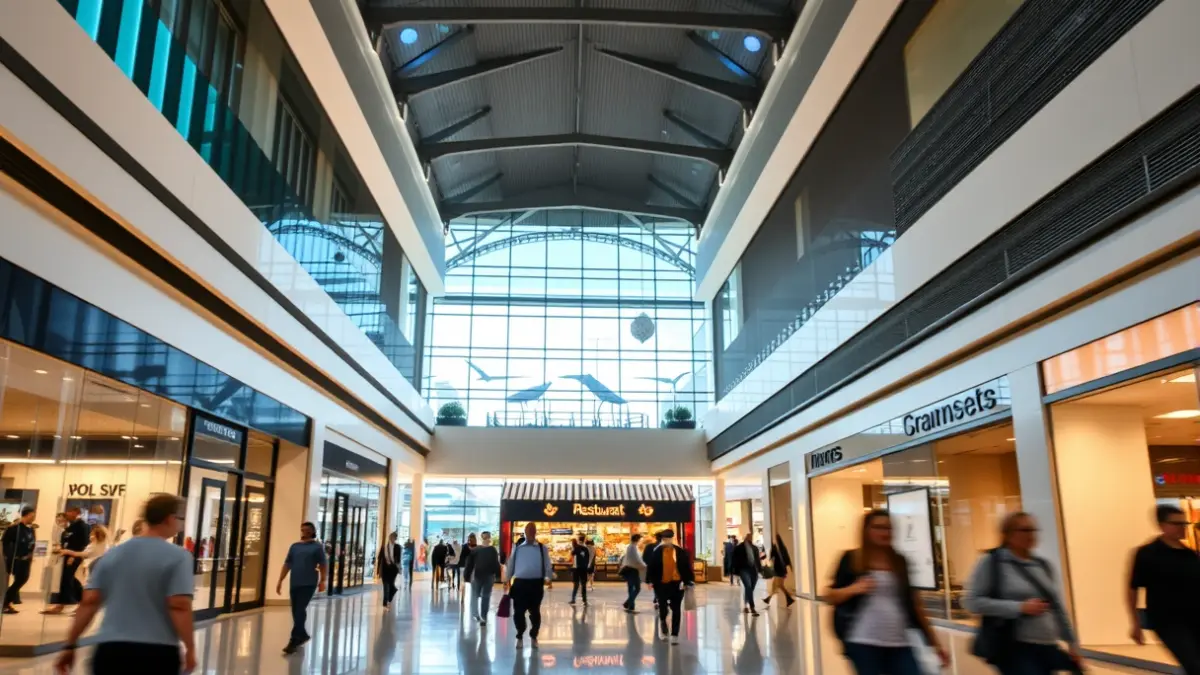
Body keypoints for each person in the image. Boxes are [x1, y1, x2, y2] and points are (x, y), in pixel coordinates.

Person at [53, 494, 196, 675]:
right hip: (156, 652)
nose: (182, 525)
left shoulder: (113, 555)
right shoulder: (178, 557)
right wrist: (190, 648)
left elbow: (89, 602)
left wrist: (70, 644)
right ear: (170, 518)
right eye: (181, 519)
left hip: (110, 650)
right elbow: (179, 605)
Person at [826, 510, 949, 675]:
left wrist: (935, 644)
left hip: (899, 641)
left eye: (889, 528)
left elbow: (915, 606)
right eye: (878, 527)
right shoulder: (852, 559)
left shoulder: (899, 561)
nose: (885, 533)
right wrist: (853, 589)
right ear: (866, 531)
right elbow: (829, 595)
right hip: (863, 641)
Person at [964, 512, 1080, 675]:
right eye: (1025, 530)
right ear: (1008, 535)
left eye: (1033, 530)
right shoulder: (992, 562)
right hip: (1015, 647)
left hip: (1047, 645)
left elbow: (1057, 606)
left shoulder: (1043, 565)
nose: (1031, 534)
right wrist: (1020, 607)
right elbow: (971, 602)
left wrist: (1072, 642)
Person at [1128, 505, 1200, 674]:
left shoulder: (1190, 555)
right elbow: (1133, 589)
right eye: (1176, 523)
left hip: (1195, 618)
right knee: (1194, 664)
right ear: (1161, 525)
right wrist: (1135, 623)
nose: (1182, 527)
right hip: (1167, 621)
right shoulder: (1147, 554)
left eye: (1184, 523)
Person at [276, 522, 328, 655]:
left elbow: (323, 564)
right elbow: (287, 563)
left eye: (307, 530)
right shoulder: (295, 546)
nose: (305, 532)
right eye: (303, 530)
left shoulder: (317, 547)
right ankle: (303, 634)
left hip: (308, 583)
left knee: (299, 609)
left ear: (313, 531)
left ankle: (294, 640)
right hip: (295, 582)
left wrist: (323, 580)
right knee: (296, 611)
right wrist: (280, 580)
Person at [504, 522, 553, 649]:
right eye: (529, 530)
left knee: (535, 612)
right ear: (525, 532)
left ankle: (534, 635)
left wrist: (549, 578)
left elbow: (547, 564)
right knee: (518, 613)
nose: (531, 532)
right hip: (520, 584)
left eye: (533, 530)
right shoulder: (518, 547)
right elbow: (511, 564)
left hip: (536, 584)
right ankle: (520, 635)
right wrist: (506, 579)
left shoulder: (542, 548)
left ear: (535, 532)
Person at [643, 529, 695, 645]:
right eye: (665, 539)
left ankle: (675, 634)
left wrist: (689, 581)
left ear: (672, 539)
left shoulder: (680, 551)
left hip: (677, 584)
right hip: (661, 584)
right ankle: (663, 623)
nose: (667, 541)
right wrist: (649, 581)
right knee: (663, 607)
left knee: (676, 609)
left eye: (669, 539)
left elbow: (686, 567)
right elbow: (651, 567)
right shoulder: (657, 552)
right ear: (662, 539)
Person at [43, 506, 89, 614]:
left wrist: (74, 556)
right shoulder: (70, 526)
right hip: (65, 555)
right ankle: (80, 601)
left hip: (74, 556)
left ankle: (64, 604)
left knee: (67, 579)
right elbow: (66, 540)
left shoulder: (82, 526)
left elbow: (83, 544)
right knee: (67, 579)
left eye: (69, 512)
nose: (67, 514)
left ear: (75, 513)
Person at [2, 507, 35, 614]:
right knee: (20, 580)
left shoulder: (30, 529)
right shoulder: (15, 528)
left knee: (22, 579)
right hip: (16, 560)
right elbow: (5, 542)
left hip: (26, 559)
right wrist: (9, 556)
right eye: (32, 516)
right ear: (27, 515)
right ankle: (5, 602)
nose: (33, 518)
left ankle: (6, 601)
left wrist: (30, 554)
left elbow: (32, 543)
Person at [466, 531, 501, 624]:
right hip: (488, 576)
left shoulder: (476, 550)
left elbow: (469, 564)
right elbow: (496, 563)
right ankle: (483, 617)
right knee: (485, 596)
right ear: (489, 538)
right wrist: (498, 575)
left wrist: (467, 575)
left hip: (478, 575)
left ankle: (476, 614)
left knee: (475, 595)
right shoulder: (492, 550)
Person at [731, 531, 762, 615]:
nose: (750, 538)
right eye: (748, 537)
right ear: (745, 538)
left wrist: (760, 570)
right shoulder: (739, 548)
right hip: (744, 569)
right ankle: (752, 607)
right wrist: (735, 571)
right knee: (748, 586)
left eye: (751, 537)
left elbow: (757, 560)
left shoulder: (754, 548)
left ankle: (745, 606)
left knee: (750, 588)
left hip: (753, 570)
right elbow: (734, 559)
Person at [763, 534, 796, 608]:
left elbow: (772, 557)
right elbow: (786, 558)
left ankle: (788, 599)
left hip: (780, 570)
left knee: (778, 585)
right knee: (778, 585)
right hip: (780, 570)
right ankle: (788, 599)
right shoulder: (780, 548)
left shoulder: (778, 548)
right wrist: (790, 566)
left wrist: (790, 567)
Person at [620, 533, 647, 612]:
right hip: (633, 570)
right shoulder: (633, 547)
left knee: (631, 588)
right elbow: (636, 559)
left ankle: (631, 605)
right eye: (640, 539)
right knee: (637, 588)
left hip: (629, 569)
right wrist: (644, 566)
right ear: (637, 540)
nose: (640, 541)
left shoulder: (630, 547)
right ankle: (628, 603)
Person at [377, 532, 401, 608]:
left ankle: (389, 598)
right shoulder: (384, 547)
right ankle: (385, 602)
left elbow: (398, 560)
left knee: (391, 585)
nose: (393, 539)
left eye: (394, 538)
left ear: (395, 539)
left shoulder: (398, 547)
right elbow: (380, 558)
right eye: (392, 537)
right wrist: (378, 570)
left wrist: (399, 568)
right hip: (385, 568)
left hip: (393, 569)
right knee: (385, 585)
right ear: (390, 538)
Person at [569, 532, 591, 606]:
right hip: (583, 569)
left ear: (578, 540)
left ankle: (573, 599)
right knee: (583, 585)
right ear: (584, 540)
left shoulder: (576, 548)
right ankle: (585, 601)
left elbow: (571, 556)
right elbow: (588, 559)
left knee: (576, 585)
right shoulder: (586, 549)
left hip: (576, 569)